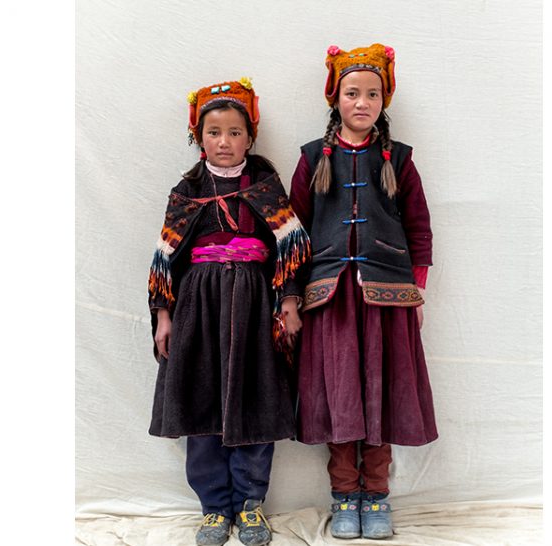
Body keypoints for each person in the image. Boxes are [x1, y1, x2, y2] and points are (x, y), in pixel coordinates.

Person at [147, 78, 310, 546]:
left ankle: (250, 505)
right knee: (202, 405)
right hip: (198, 307)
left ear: (250, 136)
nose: (224, 141)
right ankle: (215, 508)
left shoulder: (264, 185)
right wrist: (164, 315)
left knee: (255, 402)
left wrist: (291, 302)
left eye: (235, 132)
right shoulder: (187, 189)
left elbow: (292, 248)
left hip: (256, 306)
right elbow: (165, 259)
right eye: (214, 131)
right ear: (198, 136)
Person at [288, 44, 438, 540]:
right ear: (336, 97)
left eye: (372, 94)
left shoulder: (399, 159)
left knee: (379, 395)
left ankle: (375, 496)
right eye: (352, 92)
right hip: (330, 300)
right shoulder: (313, 159)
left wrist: (416, 292)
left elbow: (418, 229)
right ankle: (343, 496)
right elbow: (294, 233)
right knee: (340, 398)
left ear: (383, 99)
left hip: (386, 299)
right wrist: (289, 296)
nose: (362, 102)